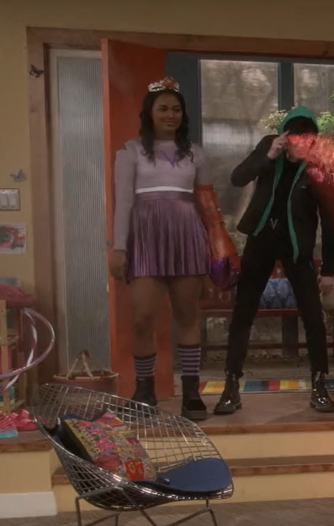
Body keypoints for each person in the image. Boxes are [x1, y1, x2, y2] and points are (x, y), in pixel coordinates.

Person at [108, 77, 238, 420]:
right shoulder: (129, 151)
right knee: (141, 318)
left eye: (176, 109)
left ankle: (191, 394)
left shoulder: (196, 153)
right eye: (163, 108)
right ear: (149, 113)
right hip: (144, 237)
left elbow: (207, 204)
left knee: (188, 316)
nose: (170, 115)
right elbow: (123, 203)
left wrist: (219, 246)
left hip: (187, 235)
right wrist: (119, 247)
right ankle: (144, 390)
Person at [214, 106, 334, 415]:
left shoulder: (320, 168)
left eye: (309, 137)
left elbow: (332, 221)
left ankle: (320, 384)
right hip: (261, 240)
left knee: (313, 315)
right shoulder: (268, 148)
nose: (303, 143)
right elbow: (238, 178)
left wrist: (329, 269)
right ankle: (231, 384)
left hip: (296, 247)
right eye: (296, 136)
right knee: (243, 311)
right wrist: (268, 155)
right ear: (285, 137)